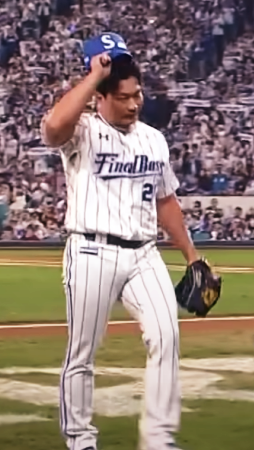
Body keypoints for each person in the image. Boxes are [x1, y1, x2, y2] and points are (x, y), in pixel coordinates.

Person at [40, 32, 200, 450]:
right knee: (83, 352)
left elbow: (166, 201)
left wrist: (191, 255)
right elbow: (53, 129)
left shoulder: (153, 138)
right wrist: (94, 77)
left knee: (166, 337)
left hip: (144, 253)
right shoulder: (83, 130)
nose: (133, 104)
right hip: (92, 250)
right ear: (100, 97)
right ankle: (81, 440)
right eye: (123, 97)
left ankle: (158, 439)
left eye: (137, 95)